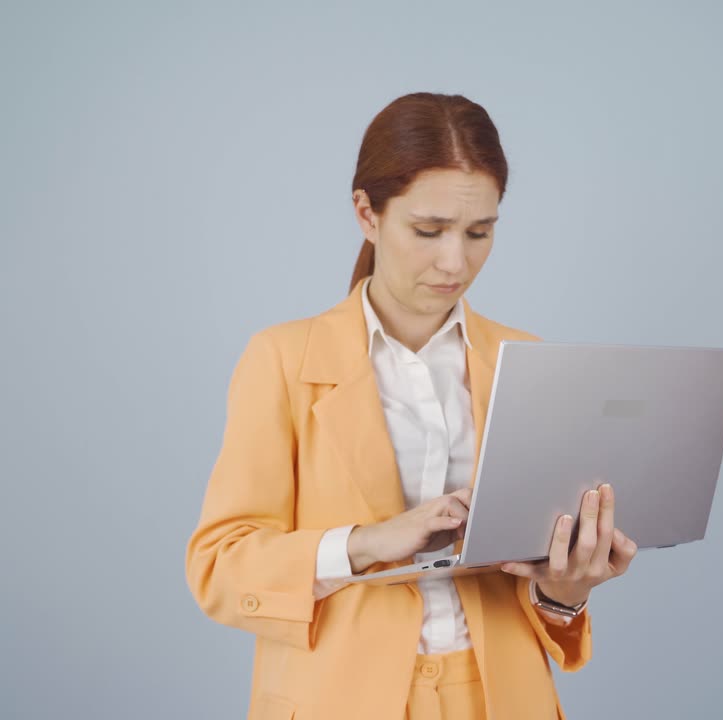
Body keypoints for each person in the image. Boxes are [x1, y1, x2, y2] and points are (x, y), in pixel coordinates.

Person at [184, 92, 639, 720]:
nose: (455, 262)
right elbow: (221, 568)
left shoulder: (527, 360)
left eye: (480, 232)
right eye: (428, 232)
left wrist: (566, 589)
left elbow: (545, 605)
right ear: (367, 214)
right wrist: (369, 542)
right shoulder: (282, 359)